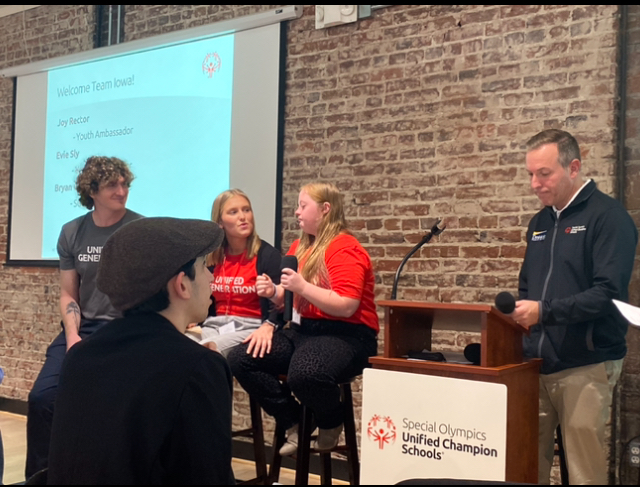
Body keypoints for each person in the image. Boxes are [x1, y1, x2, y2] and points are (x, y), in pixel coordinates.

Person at [47, 217, 234, 484]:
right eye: (204, 266)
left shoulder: (80, 356)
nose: (211, 276)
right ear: (181, 284)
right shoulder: (198, 368)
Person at [511, 129, 638, 485]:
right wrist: (522, 319)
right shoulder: (539, 223)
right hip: (536, 365)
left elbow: (608, 294)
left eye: (544, 173)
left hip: (587, 364)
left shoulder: (608, 218)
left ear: (573, 167)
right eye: (530, 174)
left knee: (584, 471)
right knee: (525, 464)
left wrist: (544, 312)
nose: (535, 183)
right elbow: (528, 285)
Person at [228, 182, 379, 456]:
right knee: (242, 358)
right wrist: (273, 291)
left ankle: (330, 421)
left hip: (346, 335)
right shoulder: (301, 245)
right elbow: (292, 296)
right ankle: (294, 421)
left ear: (325, 209)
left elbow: (346, 305)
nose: (297, 212)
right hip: (304, 331)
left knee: (306, 373)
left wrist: (301, 286)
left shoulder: (345, 248)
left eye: (303, 205)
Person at [25, 156, 142, 479]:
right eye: (112, 185)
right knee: (42, 398)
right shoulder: (72, 231)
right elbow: (68, 293)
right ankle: (43, 476)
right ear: (91, 191)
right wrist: (73, 335)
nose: (121, 191)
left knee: (106, 404)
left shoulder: (138, 229)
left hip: (124, 328)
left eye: (125, 184)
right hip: (83, 325)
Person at [189, 189, 282, 358]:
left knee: (208, 351)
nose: (243, 217)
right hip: (215, 325)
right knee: (180, 343)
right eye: (233, 212)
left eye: (246, 210)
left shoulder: (268, 255)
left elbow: (281, 304)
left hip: (251, 326)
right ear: (220, 222)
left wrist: (270, 325)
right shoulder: (213, 256)